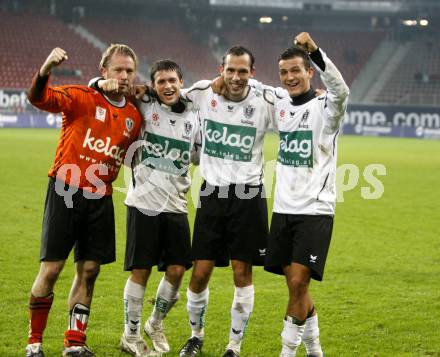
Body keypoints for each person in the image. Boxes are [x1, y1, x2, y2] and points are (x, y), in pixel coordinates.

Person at [25, 44, 143, 357]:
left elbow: (130, 157)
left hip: (100, 197)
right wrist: (46, 68)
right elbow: (39, 98)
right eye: (118, 69)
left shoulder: (134, 115)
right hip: (65, 190)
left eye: (129, 70)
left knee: (89, 270)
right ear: (104, 71)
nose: (124, 75)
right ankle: (34, 342)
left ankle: (74, 343)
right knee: (51, 269)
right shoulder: (81, 96)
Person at [91, 59, 201, 357]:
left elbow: (199, 156)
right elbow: (99, 92)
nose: (167, 86)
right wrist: (101, 82)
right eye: (161, 81)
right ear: (153, 85)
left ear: (182, 83)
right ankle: (131, 334)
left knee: (177, 270)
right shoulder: (144, 106)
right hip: (143, 204)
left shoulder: (194, 117)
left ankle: (155, 323)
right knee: (141, 271)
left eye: (172, 81)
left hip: (177, 205)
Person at [178, 46, 276, 357]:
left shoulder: (264, 99)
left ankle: (234, 345)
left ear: (252, 73)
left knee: (241, 271)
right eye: (230, 70)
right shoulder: (203, 93)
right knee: (200, 272)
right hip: (213, 194)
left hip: (249, 196)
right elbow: (163, 93)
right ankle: (196, 336)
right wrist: (102, 82)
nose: (235, 77)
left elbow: (297, 107)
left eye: (242, 71)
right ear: (221, 70)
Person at [264, 32, 349, 357]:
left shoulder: (326, 108)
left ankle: (287, 352)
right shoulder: (281, 104)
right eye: (284, 72)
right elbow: (249, 88)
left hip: (315, 210)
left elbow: (341, 90)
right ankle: (315, 350)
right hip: (284, 209)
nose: (289, 77)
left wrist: (314, 49)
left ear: (310, 71)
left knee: (299, 283)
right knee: (295, 287)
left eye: (296, 71)